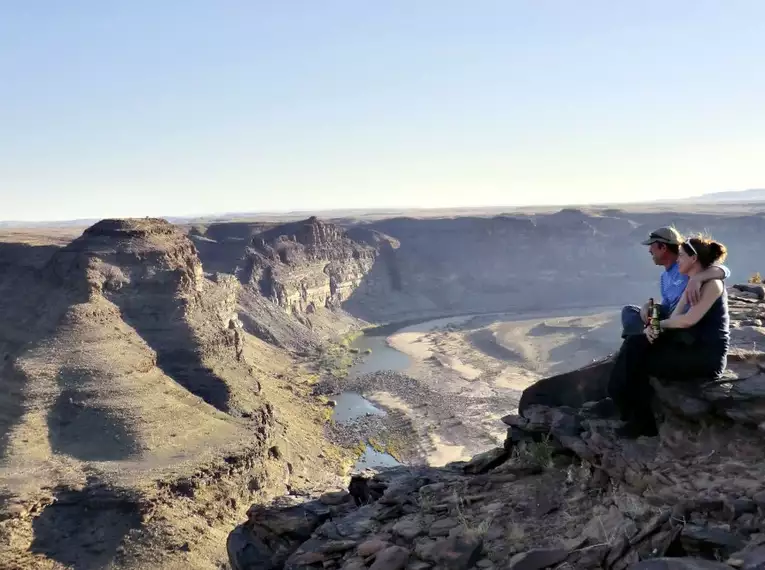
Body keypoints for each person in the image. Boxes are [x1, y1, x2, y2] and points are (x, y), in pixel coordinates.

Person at [608, 235, 730, 438]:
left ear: (693, 259)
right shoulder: (692, 282)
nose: (678, 260)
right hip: (688, 345)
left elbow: (687, 320)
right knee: (636, 344)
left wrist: (657, 325)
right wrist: (653, 329)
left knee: (640, 362)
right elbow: (675, 317)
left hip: (705, 356)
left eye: (681, 256)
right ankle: (621, 397)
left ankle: (637, 416)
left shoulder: (713, 285)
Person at [621, 226, 730, 338]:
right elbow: (667, 306)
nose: (649, 250)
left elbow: (724, 270)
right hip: (672, 316)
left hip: (683, 322)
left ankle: (642, 338)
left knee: (636, 334)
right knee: (630, 311)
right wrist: (650, 307)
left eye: (652, 245)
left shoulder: (687, 268)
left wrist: (697, 278)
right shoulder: (665, 277)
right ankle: (645, 336)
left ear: (663, 247)